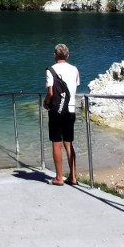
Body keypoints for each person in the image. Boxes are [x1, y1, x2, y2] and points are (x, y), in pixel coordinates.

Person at [44, 43, 80, 186]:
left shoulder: (51, 70)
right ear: (68, 56)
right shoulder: (74, 69)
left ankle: (59, 177)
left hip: (56, 111)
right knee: (69, 144)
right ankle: (73, 176)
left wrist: (46, 103)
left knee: (57, 144)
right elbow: (75, 86)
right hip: (70, 109)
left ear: (55, 55)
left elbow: (51, 93)